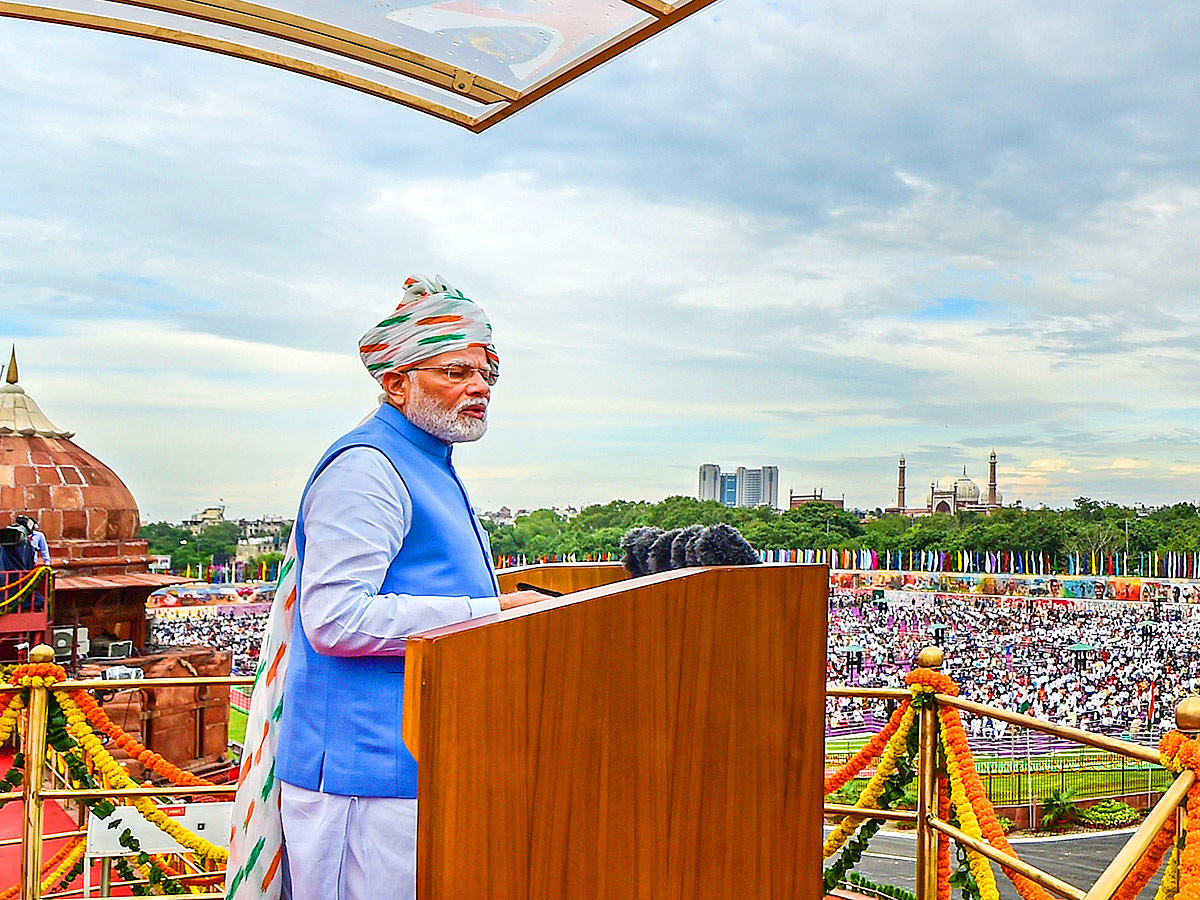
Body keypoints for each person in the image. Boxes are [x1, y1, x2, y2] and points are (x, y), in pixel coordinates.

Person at [226, 276, 544, 900]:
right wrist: (491, 612)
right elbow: (337, 619)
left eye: (485, 374)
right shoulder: (368, 467)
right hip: (362, 779)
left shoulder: (428, 462)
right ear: (396, 382)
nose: (478, 388)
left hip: (412, 766)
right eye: (455, 372)